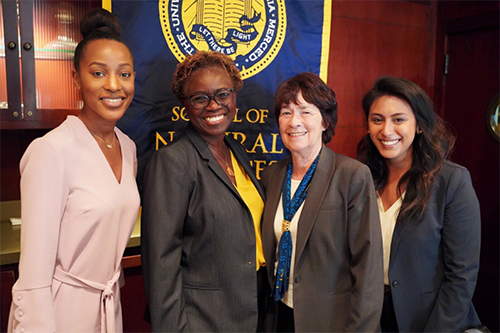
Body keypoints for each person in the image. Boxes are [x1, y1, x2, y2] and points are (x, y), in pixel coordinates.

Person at [7, 8, 140, 333]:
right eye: (98, 73)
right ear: (76, 78)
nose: (114, 85)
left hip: (108, 306)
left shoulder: (128, 146)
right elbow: (34, 275)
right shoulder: (51, 151)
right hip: (59, 310)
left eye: (124, 74)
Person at [141, 50, 267, 332]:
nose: (214, 106)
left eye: (223, 94)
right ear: (185, 104)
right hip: (205, 320)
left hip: (253, 312)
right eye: (200, 98)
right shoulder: (172, 162)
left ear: (234, 97)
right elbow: (160, 266)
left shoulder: (237, 151)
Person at [357, 76, 482, 332]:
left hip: (431, 320)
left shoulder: (451, 181)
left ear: (419, 126)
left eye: (399, 119)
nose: (386, 130)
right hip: (371, 315)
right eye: (377, 119)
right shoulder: (361, 177)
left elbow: (461, 277)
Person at [261, 72, 383, 332]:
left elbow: (367, 268)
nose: (294, 122)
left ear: (325, 122)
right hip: (277, 315)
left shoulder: (351, 175)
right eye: (286, 112)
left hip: (329, 321)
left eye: (305, 111)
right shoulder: (271, 175)